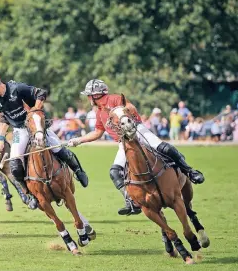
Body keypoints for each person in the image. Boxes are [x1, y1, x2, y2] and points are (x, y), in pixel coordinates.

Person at [67, 79, 205, 216]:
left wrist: (120, 111)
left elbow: (131, 107)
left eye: (88, 95)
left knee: (164, 148)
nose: (88, 98)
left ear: (95, 95)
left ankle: (190, 172)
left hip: (137, 131)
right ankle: (131, 201)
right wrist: (78, 140)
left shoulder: (114, 99)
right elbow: (97, 132)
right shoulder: (99, 112)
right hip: (124, 141)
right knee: (114, 172)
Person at [0, 71, 89, 208]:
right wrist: (0, 137)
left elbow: (41, 93)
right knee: (15, 165)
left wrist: (35, 112)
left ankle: (78, 171)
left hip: (36, 125)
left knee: (59, 148)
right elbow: (6, 118)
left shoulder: (17, 88)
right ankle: (28, 193)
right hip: (19, 130)